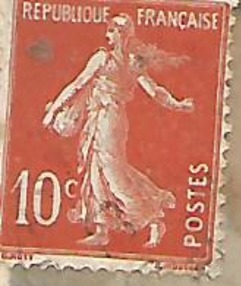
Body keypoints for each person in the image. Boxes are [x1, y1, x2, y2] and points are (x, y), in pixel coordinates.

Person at [42, 13, 194, 249]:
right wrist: (177, 104)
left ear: (121, 35)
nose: (108, 35)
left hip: (108, 119)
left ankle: (152, 219)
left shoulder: (107, 59)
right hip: (103, 117)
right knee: (97, 169)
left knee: (112, 173)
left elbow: (78, 84)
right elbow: (156, 91)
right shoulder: (131, 62)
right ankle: (102, 229)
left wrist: (53, 111)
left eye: (112, 31)